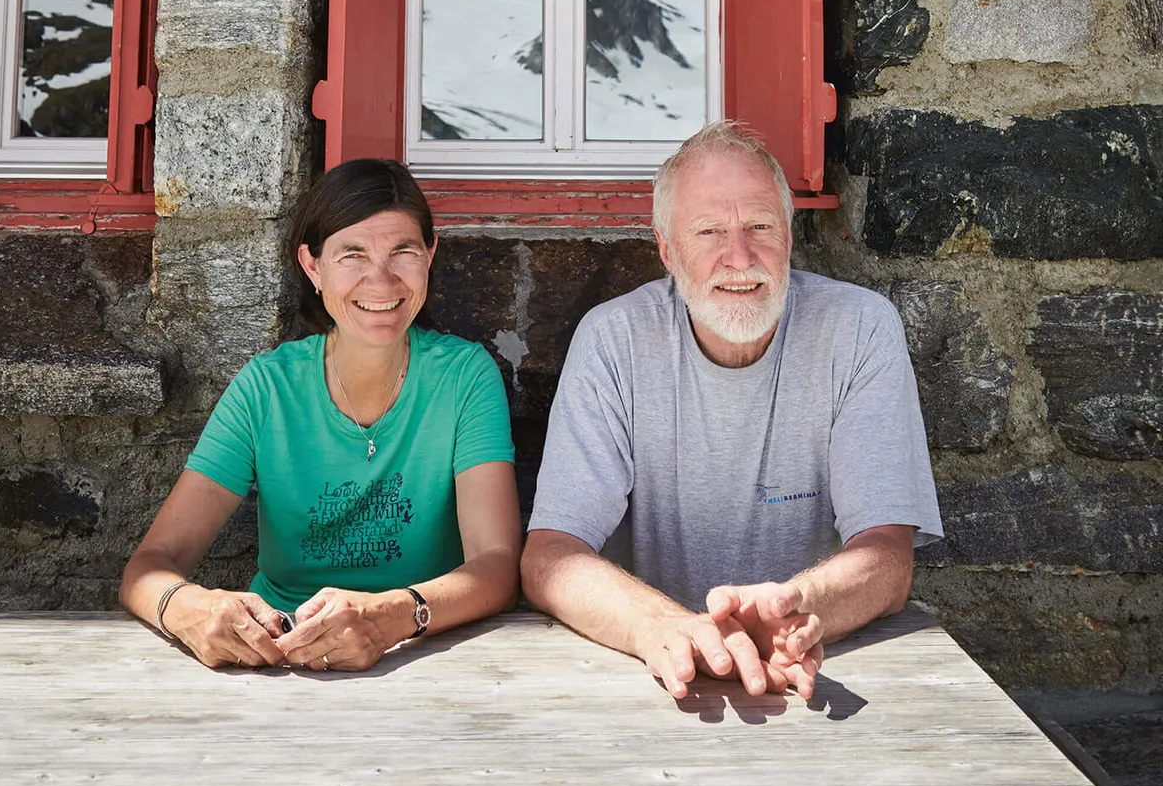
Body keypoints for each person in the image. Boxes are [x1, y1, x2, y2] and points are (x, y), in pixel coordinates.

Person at [521, 121, 942, 703]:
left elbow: (886, 557)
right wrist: (664, 627)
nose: (739, 257)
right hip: (650, 674)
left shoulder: (860, 329)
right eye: (710, 231)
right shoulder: (613, 340)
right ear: (667, 250)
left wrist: (787, 612)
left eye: (760, 227)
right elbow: (551, 556)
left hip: (811, 664)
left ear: (790, 237)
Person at [121, 158, 521, 671]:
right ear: (312, 266)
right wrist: (194, 610)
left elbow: (497, 568)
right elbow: (148, 568)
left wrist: (391, 615)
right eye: (352, 253)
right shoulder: (267, 388)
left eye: (403, 250)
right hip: (277, 658)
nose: (380, 279)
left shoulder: (464, 376)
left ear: (430, 255)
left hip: (425, 653)